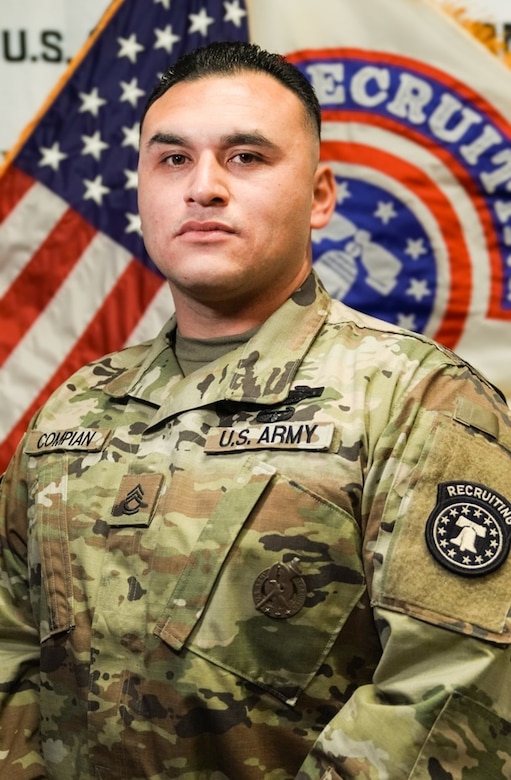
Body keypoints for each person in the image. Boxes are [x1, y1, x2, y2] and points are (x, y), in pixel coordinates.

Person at [1, 40, 511, 780]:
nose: (202, 187)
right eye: (172, 159)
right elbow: (10, 643)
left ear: (319, 196)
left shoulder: (417, 401)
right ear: (140, 187)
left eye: (245, 157)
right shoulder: (75, 406)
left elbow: (448, 693)